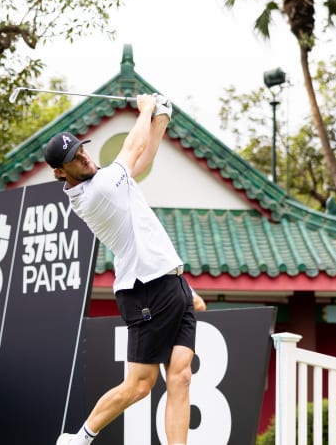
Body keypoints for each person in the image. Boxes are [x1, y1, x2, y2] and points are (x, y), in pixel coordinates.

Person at [45, 94, 196, 445]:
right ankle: (80, 437)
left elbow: (143, 158)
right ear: (60, 172)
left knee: (181, 376)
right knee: (140, 386)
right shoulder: (94, 192)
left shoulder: (111, 179)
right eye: (73, 159)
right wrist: (145, 110)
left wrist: (161, 118)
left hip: (172, 282)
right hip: (144, 289)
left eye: (81, 149)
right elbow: (133, 146)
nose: (83, 156)